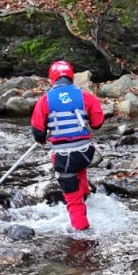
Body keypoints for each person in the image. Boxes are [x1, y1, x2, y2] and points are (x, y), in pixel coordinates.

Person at [31, 60, 105, 231]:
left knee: (72, 200)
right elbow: (97, 122)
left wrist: (43, 137)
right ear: (71, 76)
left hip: (63, 156)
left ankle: (82, 234)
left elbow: (38, 132)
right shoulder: (85, 96)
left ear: (52, 79)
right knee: (78, 167)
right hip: (86, 153)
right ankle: (85, 195)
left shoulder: (45, 100)